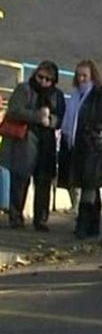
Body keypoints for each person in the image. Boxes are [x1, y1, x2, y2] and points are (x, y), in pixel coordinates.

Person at [0, 61, 65, 230]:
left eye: (48, 79)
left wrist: (50, 121)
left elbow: (60, 118)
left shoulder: (56, 95)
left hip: (46, 143)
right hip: (25, 140)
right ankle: (16, 217)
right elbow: (14, 110)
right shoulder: (24, 89)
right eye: (40, 77)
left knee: (43, 181)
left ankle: (41, 219)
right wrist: (37, 117)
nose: (43, 81)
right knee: (20, 179)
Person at [59, 59, 102, 239]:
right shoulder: (74, 96)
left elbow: (101, 120)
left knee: (89, 186)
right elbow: (68, 120)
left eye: (85, 75)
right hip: (77, 146)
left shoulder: (100, 95)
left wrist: (97, 141)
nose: (81, 79)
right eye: (78, 75)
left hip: (92, 147)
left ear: (92, 76)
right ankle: (93, 226)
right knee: (90, 188)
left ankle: (83, 224)